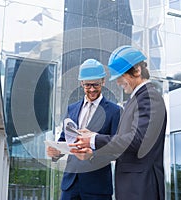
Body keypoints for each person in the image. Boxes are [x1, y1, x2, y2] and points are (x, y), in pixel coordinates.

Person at [70, 46, 167, 200]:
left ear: (137, 70)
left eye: (120, 76)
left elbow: (138, 141)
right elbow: (123, 146)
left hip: (141, 187)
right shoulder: (134, 100)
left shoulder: (148, 97)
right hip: (132, 187)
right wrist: (92, 154)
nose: (118, 82)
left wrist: (94, 138)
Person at [47, 59, 121, 200]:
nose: (92, 89)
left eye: (96, 85)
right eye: (88, 85)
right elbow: (64, 139)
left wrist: (92, 155)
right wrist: (56, 152)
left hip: (97, 186)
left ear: (103, 82)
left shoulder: (114, 111)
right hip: (71, 184)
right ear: (81, 83)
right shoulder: (72, 109)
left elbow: (116, 149)